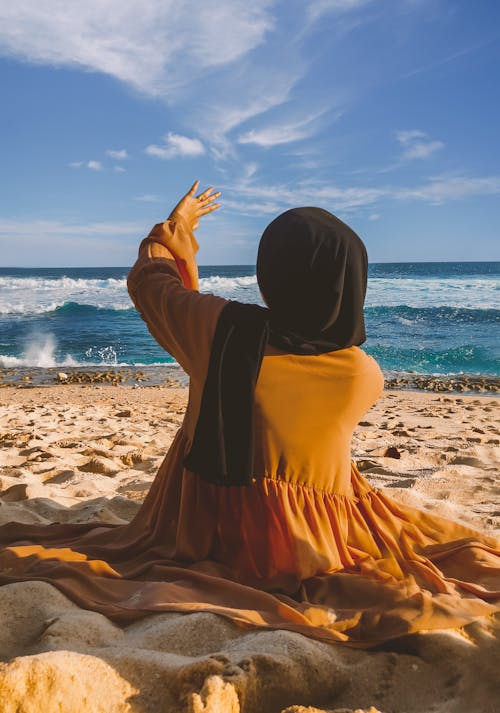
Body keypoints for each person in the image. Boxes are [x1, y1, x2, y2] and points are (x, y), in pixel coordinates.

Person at [0, 182, 498, 647]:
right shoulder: (363, 376)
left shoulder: (217, 333)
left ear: (270, 275)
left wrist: (174, 231)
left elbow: (153, 285)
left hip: (198, 521)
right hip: (307, 545)